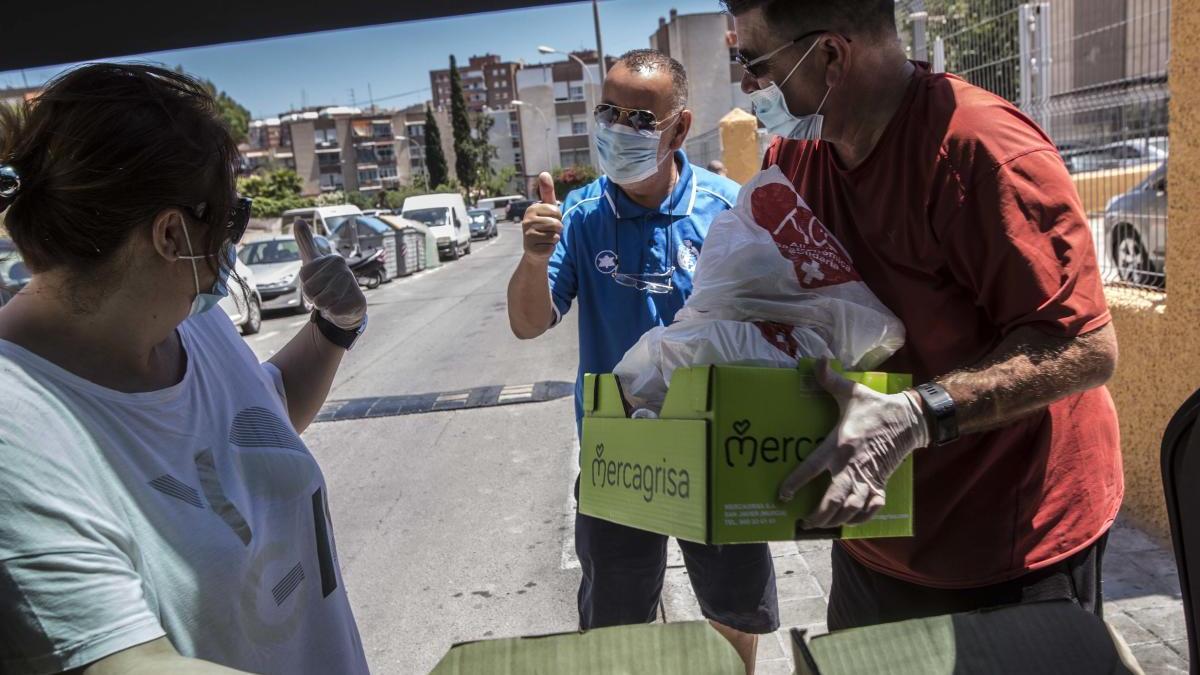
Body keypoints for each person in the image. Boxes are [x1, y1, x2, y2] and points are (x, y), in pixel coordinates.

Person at [722, 0, 1122, 630]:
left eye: (753, 60)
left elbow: (1084, 349)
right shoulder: (795, 161)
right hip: (876, 532)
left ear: (829, 55)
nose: (744, 83)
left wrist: (916, 415)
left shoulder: (983, 152)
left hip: (1014, 547)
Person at [0, 64, 369, 673]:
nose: (232, 244)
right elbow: (129, 664)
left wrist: (333, 329)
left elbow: (261, 423)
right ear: (171, 234)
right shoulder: (19, 427)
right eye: (230, 218)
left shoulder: (190, 320)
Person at [507, 49, 776, 671]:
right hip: (618, 458)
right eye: (609, 112)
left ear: (680, 128)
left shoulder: (729, 208)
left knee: (733, 611)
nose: (618, 128)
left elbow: (771, 322)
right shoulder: (580, 216)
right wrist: (530, 257)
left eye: (639, 118)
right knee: (614, 628)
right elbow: (528, 323)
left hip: (712, 449)